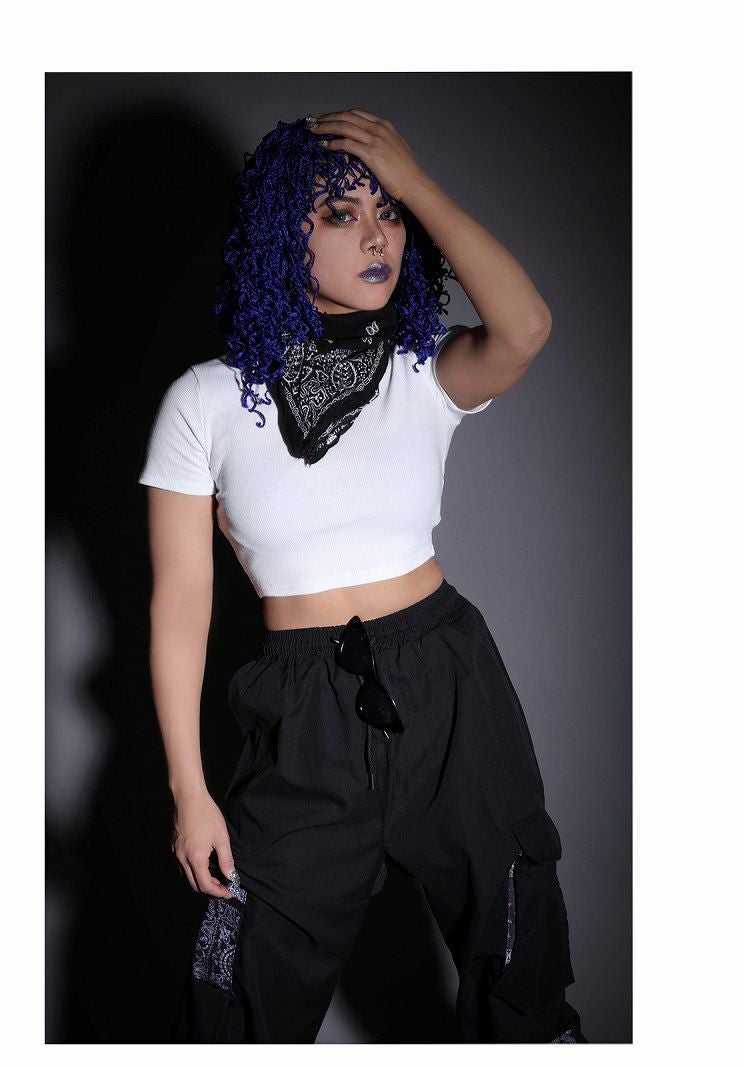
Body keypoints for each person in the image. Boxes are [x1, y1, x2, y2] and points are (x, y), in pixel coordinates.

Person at [138, 110, 587, 1044]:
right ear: (281, 233)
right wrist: (190, 789)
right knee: (236, 995)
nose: (378, 235)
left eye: (390, 213)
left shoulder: (421, 368)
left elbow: (527, 325)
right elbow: (181, 604)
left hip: (448, 684)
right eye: (343, 214)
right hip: (301, 713)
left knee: (519, 957)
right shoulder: (203, 401)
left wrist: (415, 180)